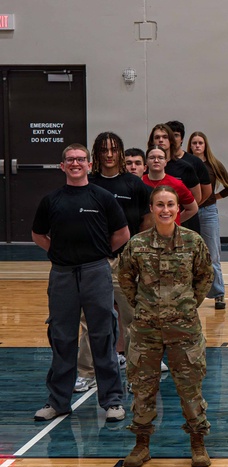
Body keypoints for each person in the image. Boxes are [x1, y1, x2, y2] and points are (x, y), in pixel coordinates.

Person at [117, 185, 214, 467]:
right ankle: (141, 444)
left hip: (184, 330)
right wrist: (143, 306)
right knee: (143, 387)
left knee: (190, 388)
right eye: (159, 205)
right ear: (151, 208)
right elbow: (125, 278)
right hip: (146, 330)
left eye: (170, 204)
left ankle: (198, 443)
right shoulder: (137, 244)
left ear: (177, 208)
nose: (165, 210)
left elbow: (205, 277)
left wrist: (185, 304)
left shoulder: (193, 242)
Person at [31, 144, 129, 423]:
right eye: (70, 160)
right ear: (62, 166)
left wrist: (99, 255)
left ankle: (112, 401)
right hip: (62, 275)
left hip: (96, 272)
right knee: (62, 338)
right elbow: (38, 234)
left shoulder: (103, 197)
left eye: (80, 160)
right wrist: (56, 253)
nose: (75, 163)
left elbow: (122, 233)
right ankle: (58, 401)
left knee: (103, 336)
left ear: (89, 165)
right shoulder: (51, 200)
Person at [75, 132, 154, 394]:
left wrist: (133, 253)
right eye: (103, 150)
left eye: (113, 150)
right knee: (91, 320)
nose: (109, 155)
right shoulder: (89, 183)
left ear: (120, 153)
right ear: (96, 154)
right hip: (95, 263)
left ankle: (135, 374)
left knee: (133, 319)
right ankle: (87, 373)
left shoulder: (134, 184)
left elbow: (146, 221)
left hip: (126, 262)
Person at [188, 131, 228, 309]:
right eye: (194, 143)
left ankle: (218, 294)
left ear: (205, 145)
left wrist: (214, 197)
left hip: (208, 212)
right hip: (189, 211)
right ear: (190, 146)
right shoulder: (186, 164)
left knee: (212, 254)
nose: (197, 146)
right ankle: (190, 293)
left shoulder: (214, 164)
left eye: (200, 142)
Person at [148, 123, 202, 233]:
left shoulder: (185, 167)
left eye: (165, 137)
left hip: (179, 222)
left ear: (171, 140)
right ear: (152, 141)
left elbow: (196, 199)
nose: (161, 140)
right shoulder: (147, 167)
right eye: (157, 137)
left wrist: (172, 219)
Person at [142, 147, 199, 225]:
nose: (156, 160)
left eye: (160, 158)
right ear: (146, 162)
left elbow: (192, 208)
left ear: (166, 162)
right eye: (152, 158)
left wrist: (174, 220)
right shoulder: (140, 182)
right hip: (145, 232)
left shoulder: (177, 184)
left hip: (170, 233)